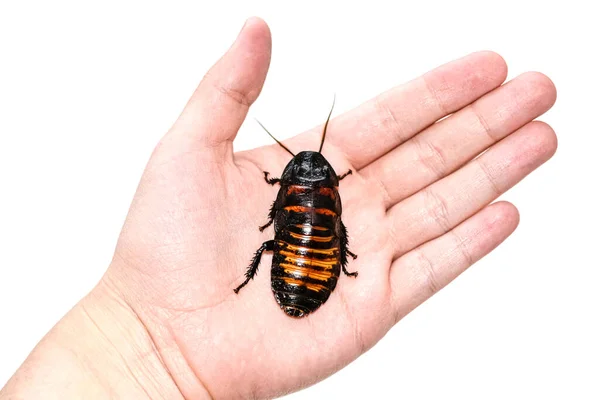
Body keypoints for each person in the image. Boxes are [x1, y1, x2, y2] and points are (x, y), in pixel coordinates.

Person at [0, 17, 557, 399]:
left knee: (279, 242)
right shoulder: (322, 202)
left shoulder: (294, 200)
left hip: (299, 259)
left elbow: (303, 227)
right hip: (307, 270)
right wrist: (151, 347)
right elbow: (329, 231)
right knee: (287, 243)